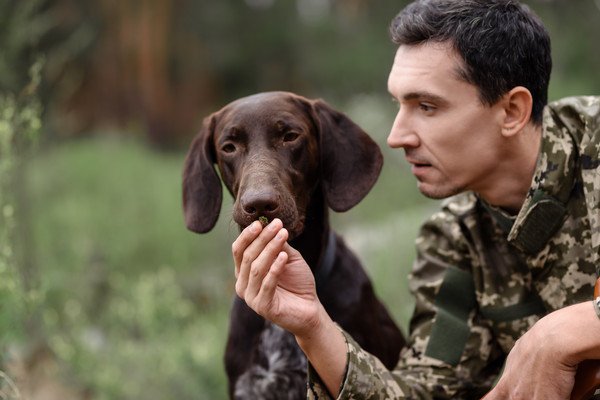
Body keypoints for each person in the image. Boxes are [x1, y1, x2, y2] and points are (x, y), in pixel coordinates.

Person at [231, 0, 600, 398]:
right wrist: (313, 324)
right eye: (399, 104)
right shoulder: (454, 242)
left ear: (511, 110)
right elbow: (426, 391)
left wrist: (564, 332)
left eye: (426, 106)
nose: (396, 136)